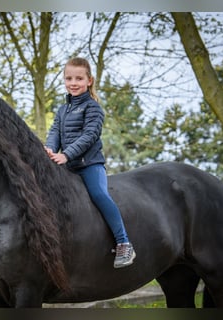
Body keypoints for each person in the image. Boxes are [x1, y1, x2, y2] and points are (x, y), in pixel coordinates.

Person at [44, 57, 136, 268]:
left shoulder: (93, 108)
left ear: (89, 80)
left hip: (89, 166)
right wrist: (49, 149)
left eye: (78, 78)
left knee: (99, 195)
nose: (73, 83)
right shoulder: (62, 110)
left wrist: (66, 155)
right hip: (67, 167)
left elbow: (89, 136)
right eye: (69, 78)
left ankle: (124, 243)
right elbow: (55, 133)